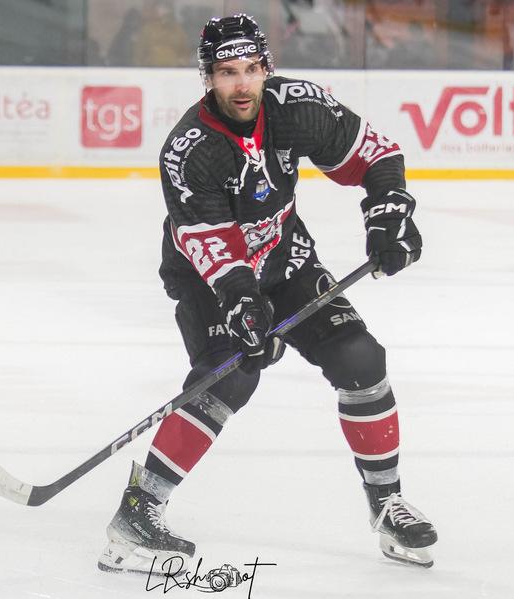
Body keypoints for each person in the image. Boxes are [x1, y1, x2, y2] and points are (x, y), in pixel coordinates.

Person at [97, 13, 437, 575]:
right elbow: (212, 245)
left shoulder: (295, 106)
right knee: (230, 377)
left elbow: (376, 155)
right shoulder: (189, 149)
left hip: (285, 260)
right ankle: (140, 509)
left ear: (266, 68)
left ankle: (387, 506)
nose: (241, 83)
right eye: (226, 72)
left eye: (251, 69)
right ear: (208, 77)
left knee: (360, 358)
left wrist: (388, 213)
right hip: (210, 278)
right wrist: (242, 304)